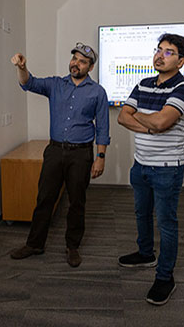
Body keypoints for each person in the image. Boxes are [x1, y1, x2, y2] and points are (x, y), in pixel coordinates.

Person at [9, 42, 110, 268]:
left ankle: (72, 246)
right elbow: (29, 83)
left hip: (81, 154)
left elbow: (103, 127)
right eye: (74, 59)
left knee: (77, 202)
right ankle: (35, 244)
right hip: (55, 151)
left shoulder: (97, 92)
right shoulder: (55, 84)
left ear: (90, 67)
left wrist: (100, 157)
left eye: (82, 61)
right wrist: (22, 68)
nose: (76, 64)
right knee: (45, 198)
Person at [117, 33, 184, 305]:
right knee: (141, 213)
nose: (160, 55)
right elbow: (121, 117)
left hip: (167, 169)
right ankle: (145, 253)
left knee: (166, 222)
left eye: (169, 52)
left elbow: (162, 122)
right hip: (140, 165)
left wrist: (145, 118)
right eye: (159, 49)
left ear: (181, 60)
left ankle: (165, 277)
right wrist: (151, 122)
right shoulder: (143, 83)